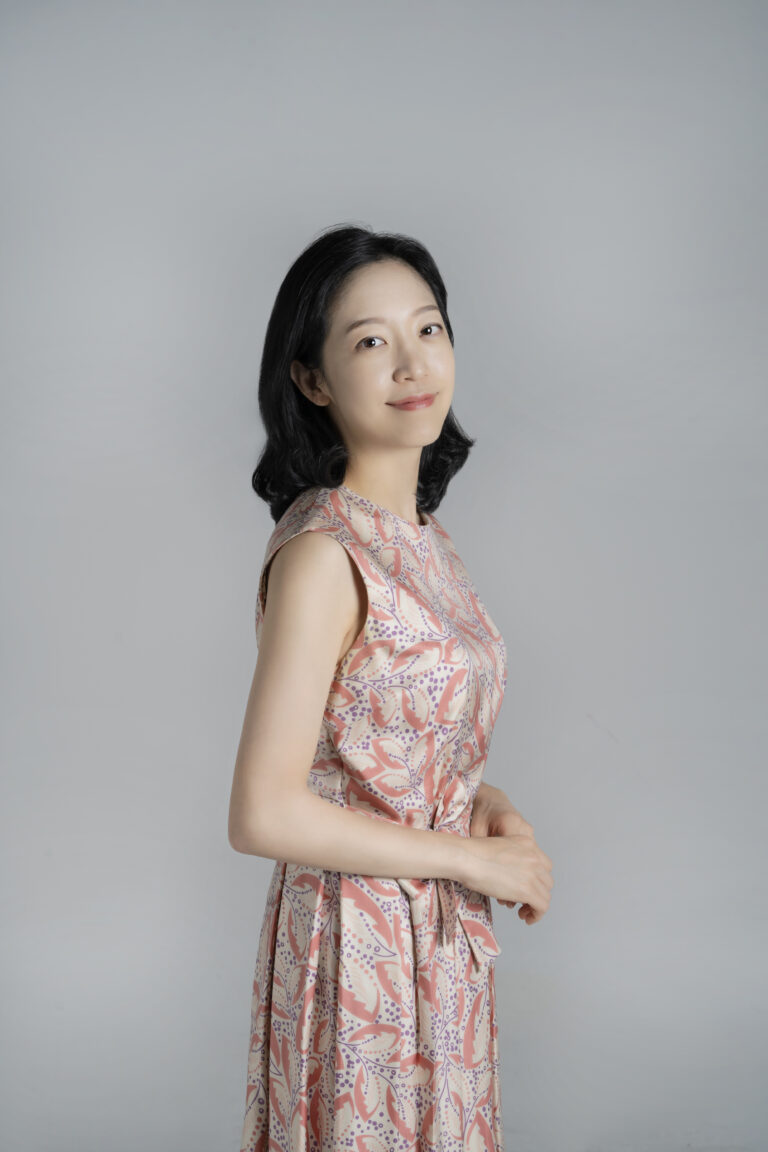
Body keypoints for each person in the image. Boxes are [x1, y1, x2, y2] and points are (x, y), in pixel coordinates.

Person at [228, 223, 553, 1151]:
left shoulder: (423, 541)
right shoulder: (325, 551)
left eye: (429, 328)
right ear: (312, 380)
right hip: (357, 945)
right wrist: (469, 863)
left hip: (438, 941)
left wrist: (485, 804)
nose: (414, 364)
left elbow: (385, 747)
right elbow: (262, 811)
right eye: (371, 341)